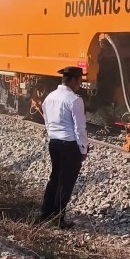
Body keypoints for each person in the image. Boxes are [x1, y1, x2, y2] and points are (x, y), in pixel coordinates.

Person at [39, 66, 89, 229]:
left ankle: (45, 214)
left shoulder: (50, 97)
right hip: (69, 145)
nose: (80, 84)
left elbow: (47, 121)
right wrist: (83, 149)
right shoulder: (75, 100)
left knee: (54, 178)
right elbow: (79, 128)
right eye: (80, 80)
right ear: (73, 80)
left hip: (54, 143)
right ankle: (58, 219)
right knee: (65, 182)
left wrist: (52, 136)